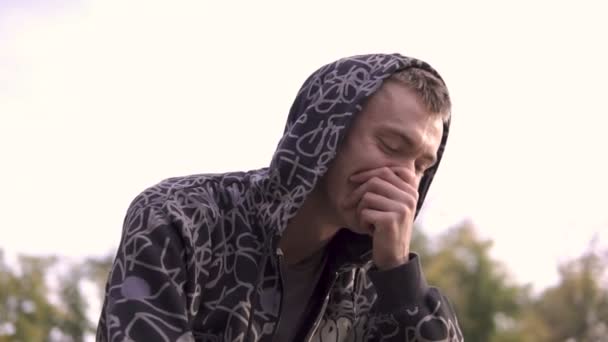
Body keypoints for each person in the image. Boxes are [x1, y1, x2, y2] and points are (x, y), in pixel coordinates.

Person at [96, 53, 464, 342]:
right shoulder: (180, 220)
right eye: (391, 145)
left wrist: (399, 275)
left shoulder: (375, 283)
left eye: (421, 166)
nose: (405, 179)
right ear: (326, 133)